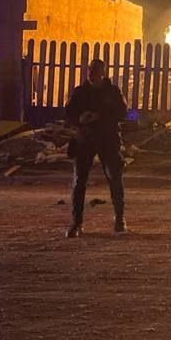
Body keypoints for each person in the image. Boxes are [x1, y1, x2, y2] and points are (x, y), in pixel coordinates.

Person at [63, 58, 128, 237]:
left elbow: (123, 113)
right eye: (90, 71)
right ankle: (76, 222)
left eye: (96, 71)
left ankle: (120, 218)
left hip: (108, 139)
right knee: (79, 182)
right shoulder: (80, 92)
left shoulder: (112, 92)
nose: (92, 75)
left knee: (114, 177)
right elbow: (68, 113)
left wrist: (100, 116)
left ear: (103, 73)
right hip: (85, 139)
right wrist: (80, 119)